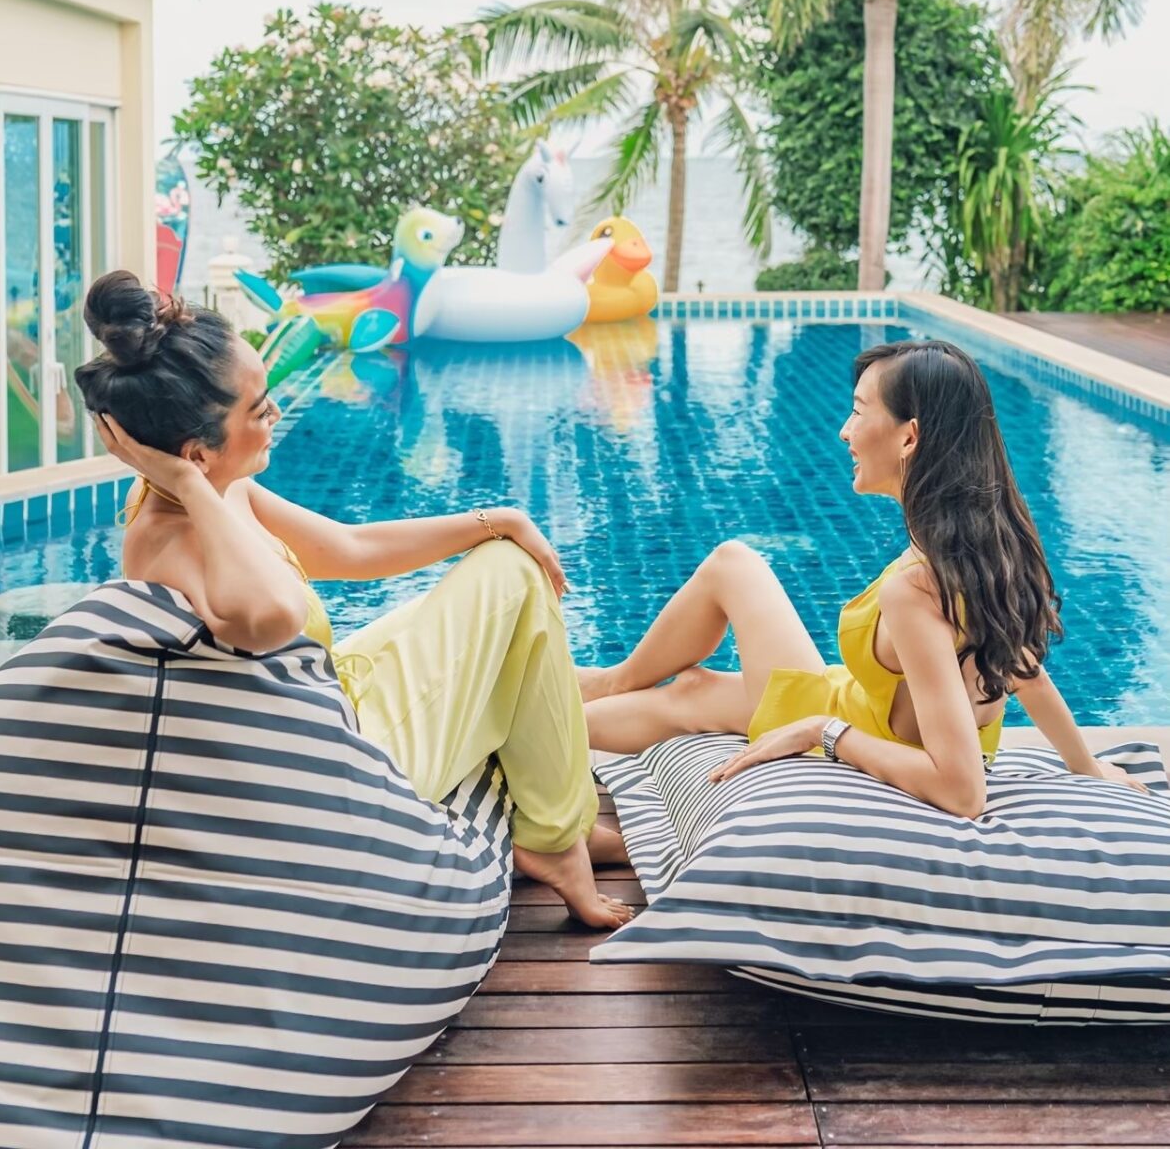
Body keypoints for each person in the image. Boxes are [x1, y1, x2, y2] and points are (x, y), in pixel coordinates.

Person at [75, 270, 631, 928]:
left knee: (501, 571)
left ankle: (560, 821)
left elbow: (349, 549)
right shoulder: (170, 538)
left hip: (329, 701)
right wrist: (192, 486)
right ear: (195, 454)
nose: (275, 417)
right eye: (258, 409)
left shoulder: (216, 493)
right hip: (338, 770)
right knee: (514, 578)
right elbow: (276, 616)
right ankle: (558, 839)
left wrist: (495, 518)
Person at [578, 337, 1148, 816]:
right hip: (850, 699)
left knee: (701, 654)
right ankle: (601, 687)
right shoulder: (989, 546)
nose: (844, 432)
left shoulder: (916, 588)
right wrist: (1087, 767)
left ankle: (562, 715)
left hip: (846, 719)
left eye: (858, 411)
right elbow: (1025, 670)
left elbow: (963, 792)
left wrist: (822, 733)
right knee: (703, 655)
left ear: (909, 437)